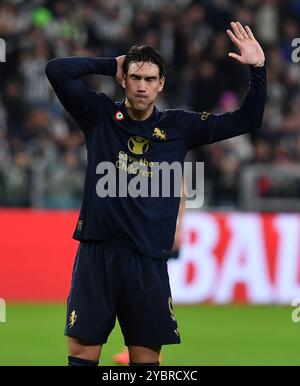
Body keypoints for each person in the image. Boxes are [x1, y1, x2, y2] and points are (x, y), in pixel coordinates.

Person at [45, 21, 266, 366]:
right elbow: (56, 71)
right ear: (124, 79)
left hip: (147, 261)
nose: (142, 86)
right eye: (135, 77)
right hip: (97, 253)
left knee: (145, 359)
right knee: (81, 354)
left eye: (150, 79)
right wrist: (109, 63)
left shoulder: (180, 127)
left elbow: (247, 120)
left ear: (161, 84)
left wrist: (258, 69)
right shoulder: (100, 114)